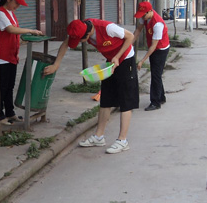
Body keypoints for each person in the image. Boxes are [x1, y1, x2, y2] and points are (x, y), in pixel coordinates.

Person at [43, 19, 138, 154]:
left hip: (125, 59)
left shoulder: (108, 28)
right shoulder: (79, 28)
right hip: (110, 62)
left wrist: (118, 56)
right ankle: (99, 137)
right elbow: (65, 44)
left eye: (81, 41)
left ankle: (123, 140)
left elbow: (130, 36)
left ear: (87, 35)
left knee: (126, 100)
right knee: (106, 99)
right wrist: (56, 65)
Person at [0, 0, 43, 126]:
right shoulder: (0, 12)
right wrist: (31, 30)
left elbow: (15, 31)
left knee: (10, 86)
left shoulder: (11, 13)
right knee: (2, 86)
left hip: (11, 55)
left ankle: (10, 113)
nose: (17, 6)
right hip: (2, 56)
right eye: (16, 3)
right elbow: (10, 29)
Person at [133, 1, 170, 111]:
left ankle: (155, 102)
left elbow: (154, 46)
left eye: (144, 14)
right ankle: (161, 97)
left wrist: (142, 61)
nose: (142, 17)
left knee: (155, 75)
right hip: (154, 47)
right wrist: (129, 43)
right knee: (156, 73)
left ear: (150, 11)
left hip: (161, 49)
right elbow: (138, 31)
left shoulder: (157, 24)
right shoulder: (144, 17)